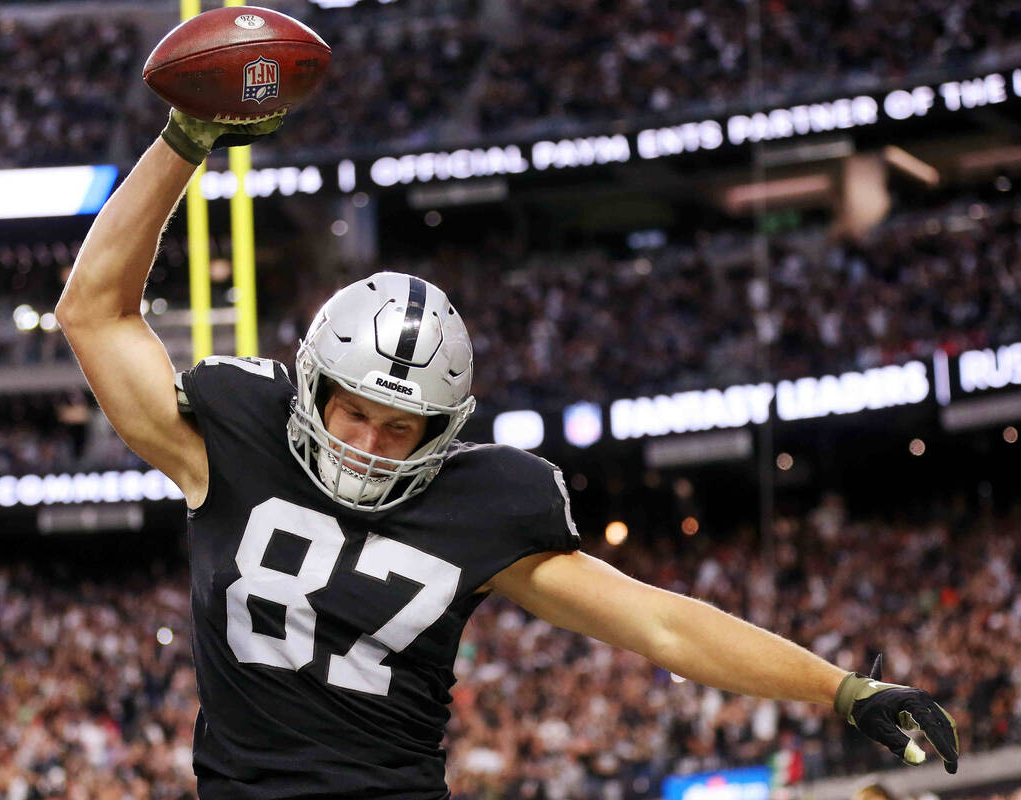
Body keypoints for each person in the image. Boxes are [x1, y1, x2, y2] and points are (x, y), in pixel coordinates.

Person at [55, 109, 960, 799]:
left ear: (443, 432)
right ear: (313, 385)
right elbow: (93, 311)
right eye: (355, 412)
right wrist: (183, 139)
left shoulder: (483, 504)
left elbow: (660, 623)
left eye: (400, 428)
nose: (369, 446)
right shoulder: (229, 440)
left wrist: (841, 689)